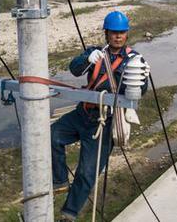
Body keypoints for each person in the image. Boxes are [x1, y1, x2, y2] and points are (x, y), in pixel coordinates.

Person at [51, 11, 149, 221]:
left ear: (127, 34)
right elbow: (75, 69)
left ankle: (69, 213)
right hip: (83, 113)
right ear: (106, 33)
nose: (118, 36)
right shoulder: (96, 52)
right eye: (114, 32)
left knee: (87, 171)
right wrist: (87, 58)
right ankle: (59, 181)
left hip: (105, 122)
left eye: (122, 33)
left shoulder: (133, 59)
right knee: (52, 135)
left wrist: (142, 77)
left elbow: (139, 91)